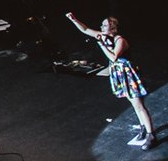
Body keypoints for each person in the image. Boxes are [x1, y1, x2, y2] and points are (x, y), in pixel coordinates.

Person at [66, 12, 155, 146]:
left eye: (105, 25)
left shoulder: (120, 40)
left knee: (138, 104)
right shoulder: (103, 36)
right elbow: (85, 29)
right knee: (133, 103)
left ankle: (151, 135)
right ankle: (143, 127)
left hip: (128, 73)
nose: (102, 27)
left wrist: (101, 45)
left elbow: (114, 57)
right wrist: (74, 20)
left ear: (113, 28)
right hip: (119, 74)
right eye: (102, 25)